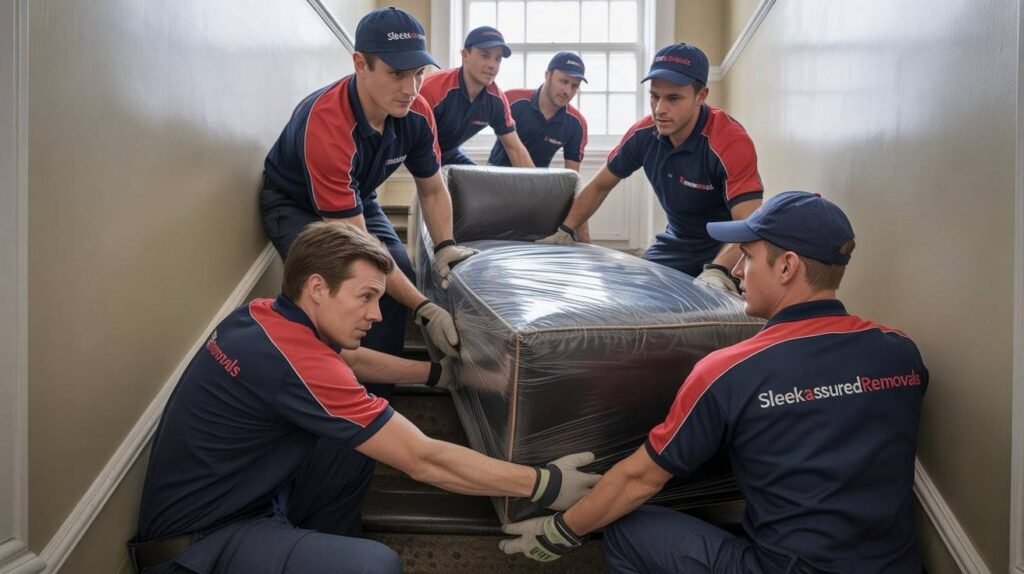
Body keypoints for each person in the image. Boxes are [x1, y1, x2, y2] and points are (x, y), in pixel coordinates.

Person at [130, 222, 600, 574]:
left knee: (353, 446)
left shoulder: (262, 316)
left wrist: (442, 374)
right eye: (366, 296)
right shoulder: (296, 361)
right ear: (318, 287)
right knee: (374, 565)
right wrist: (541, 483)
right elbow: (422, 459)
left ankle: (316, 546)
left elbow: (349, 364)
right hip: (199, 547)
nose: (377, 315)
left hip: (245, 497)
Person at [502, 192, 928, 573]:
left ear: (787, 266)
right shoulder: (901, 352)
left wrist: (559, 531)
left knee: (627, 529)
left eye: (747, 257)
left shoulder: (730, 369)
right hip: (897, 564)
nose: (737, 270)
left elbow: (638, 480)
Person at [259, 7, 474, 397]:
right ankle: (333, 394)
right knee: (351, 284)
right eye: (397, 74)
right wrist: (424, 307)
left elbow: (431, 188)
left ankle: (377, 396)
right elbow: (361, 251)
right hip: (293, 204)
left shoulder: (417, 113)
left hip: (356, 196)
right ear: (360, 64)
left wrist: (445, 246)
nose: (411, 88)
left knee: (397, 272)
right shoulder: (327, 124)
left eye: (418, 73)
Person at [540, 43, 764, 295]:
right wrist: (564, 231)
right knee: (630, 297)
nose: (659, 110)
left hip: (728, 246)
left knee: (719, 301)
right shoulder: (643, 135)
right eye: (655, 96)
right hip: (677, 243)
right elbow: (600, 186)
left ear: (701, 96)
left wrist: (718, 271)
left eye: (673, 98)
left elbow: (749, 224)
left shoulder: (730, 142)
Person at [419, 26, 534, 167]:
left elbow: (515, 150)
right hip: (416, 150)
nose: (492, 65)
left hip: (448, 151)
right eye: (485, 56)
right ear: (465, 55)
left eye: (497, 59)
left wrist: (534, 180)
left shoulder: (497, 100)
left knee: (480, 179)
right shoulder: (432, 89)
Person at [487, 51, 588, 172]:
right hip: (495, 177)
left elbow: (572, 175)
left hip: (537, 182)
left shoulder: (577, 124)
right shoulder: (511, 100)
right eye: (563, 81)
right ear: (547, 75)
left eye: (575, 86)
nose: (567, 91)